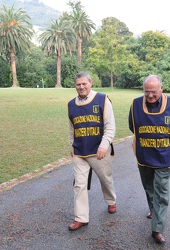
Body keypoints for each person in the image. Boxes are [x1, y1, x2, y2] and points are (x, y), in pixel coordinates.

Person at [128, 75, 170, 244]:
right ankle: (153, 210)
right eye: (147, 92)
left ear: (162, 88)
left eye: (154, 92)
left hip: (164, 158)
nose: (150, 96)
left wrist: (164, 143)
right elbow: (133, 126)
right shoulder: (136, 104)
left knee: (161, 192)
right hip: (144, 156)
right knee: (148, 187)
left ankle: (157, 229)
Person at [67, 72, 117, 231]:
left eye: (84, 84)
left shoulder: (102, 99)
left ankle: (111, 201)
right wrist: (71, 146)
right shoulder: (71, 104)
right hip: (79, 151)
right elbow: (71, 129)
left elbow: (110, 126)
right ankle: (80, 218)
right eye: (78, 84)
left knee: (105, 179)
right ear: (75, 86)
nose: (81, 87)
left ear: (90, 83)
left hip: (99, 151)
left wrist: (104, 145)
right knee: (79, 185)